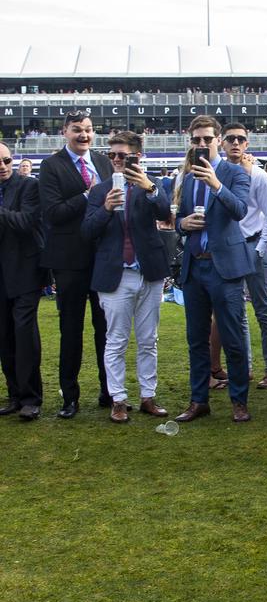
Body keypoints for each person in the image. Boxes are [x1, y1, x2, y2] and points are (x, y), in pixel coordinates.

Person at [81, 130, 172, 423]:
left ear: (137, 156)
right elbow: (87, 232)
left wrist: (148, 187)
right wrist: (107, 207)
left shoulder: (151, 184)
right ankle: (118, 400)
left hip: (149, 273)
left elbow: (163, 212)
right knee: (116, 340)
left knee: (149, 339)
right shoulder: (99, 190)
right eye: (113, 155)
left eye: (123, 155)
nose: (117, 160)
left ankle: (148, 396)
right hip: (115, 274)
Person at [174, 116, 255, 424]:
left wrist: (216, 185)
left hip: (225, 268)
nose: (202, 145)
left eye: (207, 139)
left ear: (218, 140)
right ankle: (198, 401)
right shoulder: (187, 177)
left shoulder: (235, 172)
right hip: (195, 266)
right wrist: (183, 224)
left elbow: (240, 210)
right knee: (196, 338)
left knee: (233, 337)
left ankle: (239, 401)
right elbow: (179, 217)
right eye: (196, 140)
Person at [38, 111, 113, 418]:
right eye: (77, 130)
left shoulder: (104, 162)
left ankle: (110, 391)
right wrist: (89, 194)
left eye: (88, 130)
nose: (84, 135)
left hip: (103, 258)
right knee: (71, 331)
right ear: (64, 133)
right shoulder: (51, 165)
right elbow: (53, 213)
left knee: (106, 330)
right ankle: (70, 397)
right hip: (69, 261)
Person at [221, 123, 267, 390]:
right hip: (231, 247)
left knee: (263, 310)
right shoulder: (217, 173)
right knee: (236, 313)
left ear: (247, 144)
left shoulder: (260, 176)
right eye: (230, 138)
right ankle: (244, 369)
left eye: (240, 139)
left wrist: (259, 247)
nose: (235, 143)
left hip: (254, 244)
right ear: (222, 143)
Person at [0, 141, 45, 420]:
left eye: (5, 161)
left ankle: (31, 398)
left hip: (25, 272)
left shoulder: (29, 186)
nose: (2, 167)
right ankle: (15, 395)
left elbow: (26, 221)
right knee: (4, 336)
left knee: (24, 333)